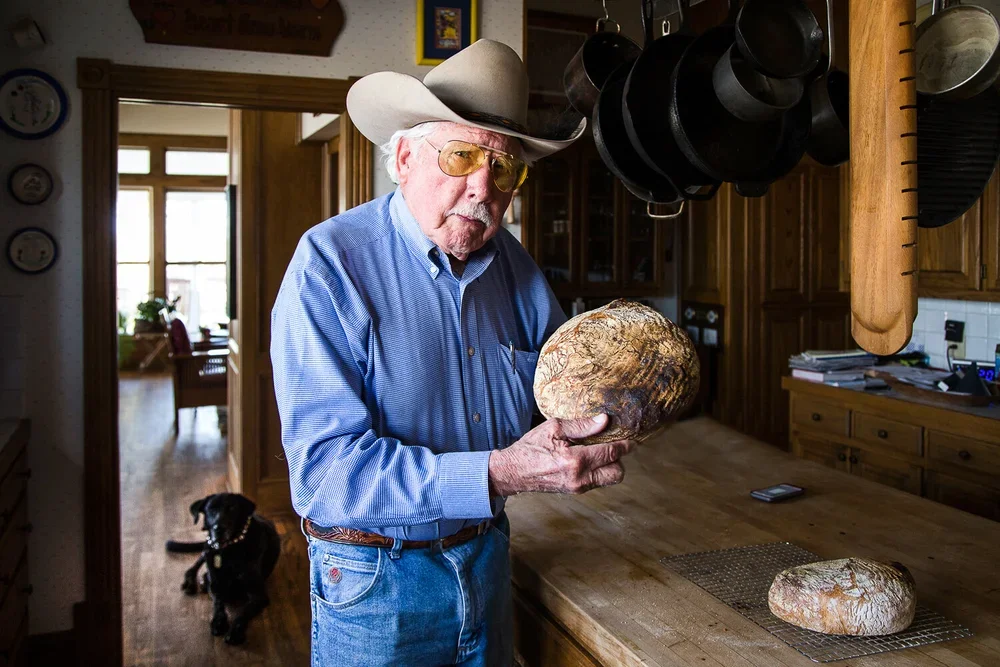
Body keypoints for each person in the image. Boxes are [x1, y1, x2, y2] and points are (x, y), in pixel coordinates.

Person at [271, 39, 637, 666]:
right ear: (406, 157)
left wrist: (615, 401)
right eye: (462, 155)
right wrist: (499, 473)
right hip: (375, 581)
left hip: (488, 557)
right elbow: (323, 477)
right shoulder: (330, 265)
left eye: (505, 169)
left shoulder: (516, 269)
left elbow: (557, 397)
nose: (482, 187)